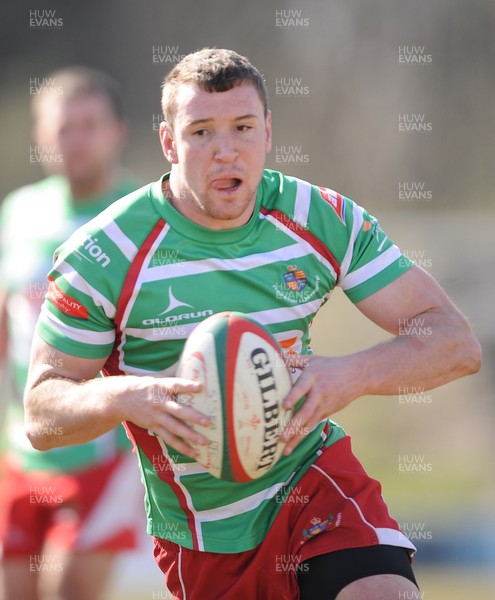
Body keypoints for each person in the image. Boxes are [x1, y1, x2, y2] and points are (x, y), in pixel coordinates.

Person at [22, 49, 481, 600]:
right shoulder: (105, 253)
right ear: (169, 143)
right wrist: (125, 396)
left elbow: (454, 342)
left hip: (313, 481)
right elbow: (42, 412)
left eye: (242, 127)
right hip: (204, 536)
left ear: (268, 132)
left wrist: (350, 374)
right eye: (201, 132)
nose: (225, 150)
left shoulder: (320, 218)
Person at [0, 67, 144, 600]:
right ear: (40, 136)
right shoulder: (18, 213)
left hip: (104, 456)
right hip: (22, 452)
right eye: (63, 127)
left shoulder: (143, 214)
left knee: (68, 591)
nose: (75, 140)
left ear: (119, 131)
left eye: (90, 125)